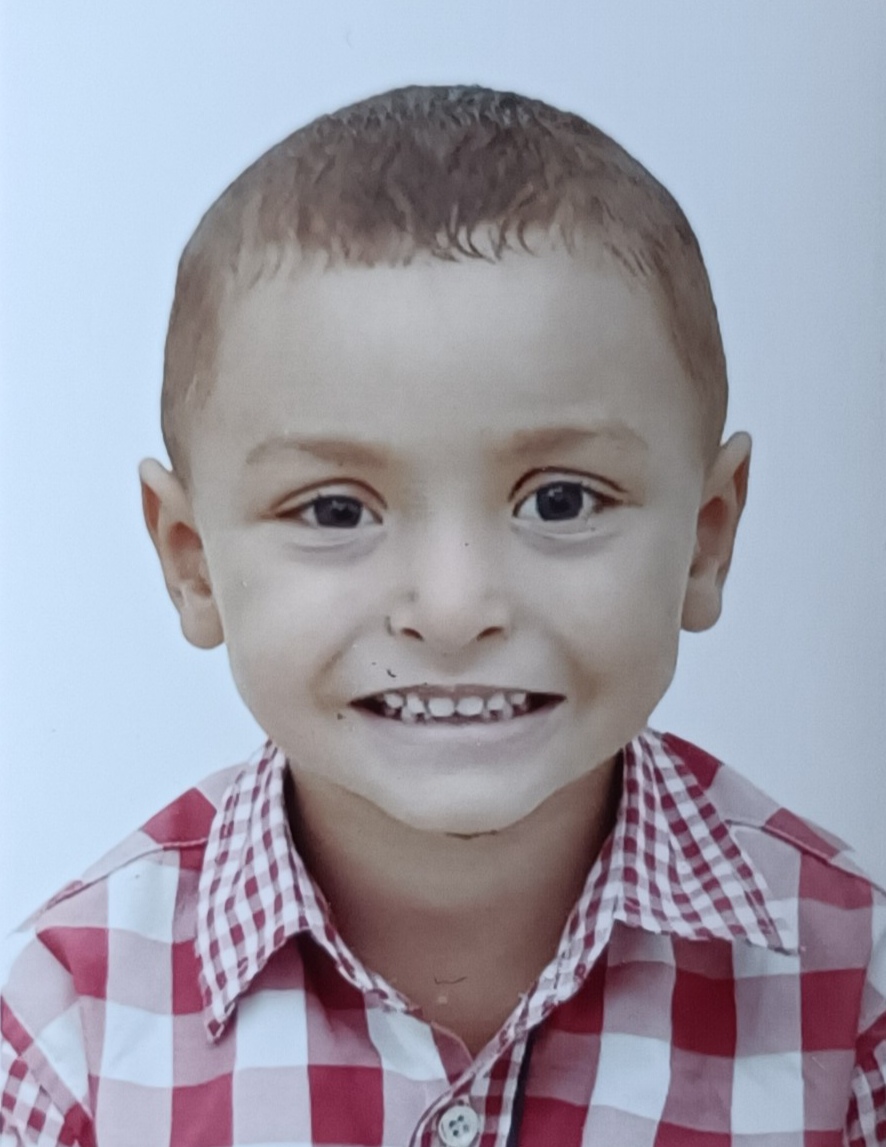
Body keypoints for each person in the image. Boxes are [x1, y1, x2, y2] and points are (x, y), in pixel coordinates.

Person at [1, 84, 883, 1147]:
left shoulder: (852, 1001)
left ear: (706, 537)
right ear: (191, 562)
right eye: (335, 510)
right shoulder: (72, 1029)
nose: (455, 610)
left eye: (561, 501)